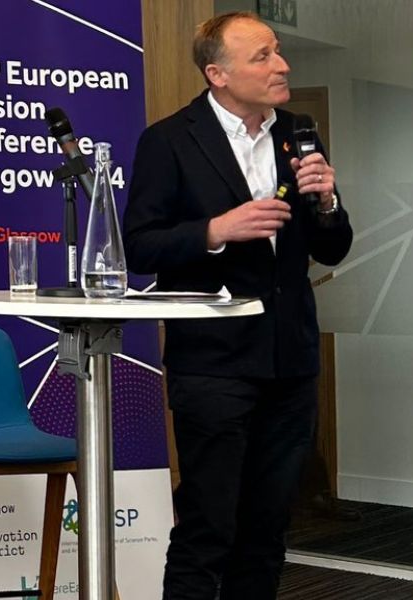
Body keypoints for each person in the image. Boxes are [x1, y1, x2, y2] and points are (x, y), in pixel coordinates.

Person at [123, 11, 353, 600]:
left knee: (269, 529)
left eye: (277, 52)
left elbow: (332, 247)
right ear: (217, 73)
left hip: (290, 361)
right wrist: (217, 228)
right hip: (214, 364)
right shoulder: (170, 140)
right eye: (263, 56)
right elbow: (140, 247)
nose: (282, 65)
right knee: (208, 527)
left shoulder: (297, 132)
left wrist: (326, 201)